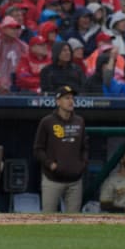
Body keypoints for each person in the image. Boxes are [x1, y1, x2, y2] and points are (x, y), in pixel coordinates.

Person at [34, 85, 89, 213]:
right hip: (52, 179)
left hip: (74, 180)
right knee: (48, 219)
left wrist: (82, 165)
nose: (71, 101)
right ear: (58, 101)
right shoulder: (47, 122)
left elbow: (85, 147)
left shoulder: (79, 121)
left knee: (73, 221)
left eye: (72, 98)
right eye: (67, 98)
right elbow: (38, 149)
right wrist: (50, 164)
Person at [99, 142, 125, 213]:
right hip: (120, 219)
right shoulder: (111, 181)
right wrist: (124, 210)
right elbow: (104, 205)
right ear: (121, 159)